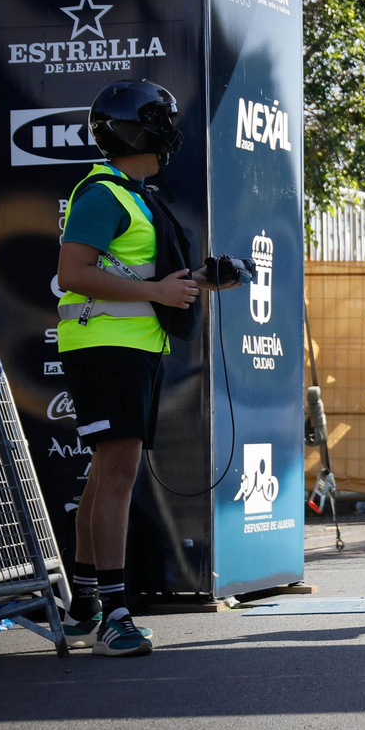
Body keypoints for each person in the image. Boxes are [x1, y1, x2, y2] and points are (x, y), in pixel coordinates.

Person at [56, 82, 244, 657]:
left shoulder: (135, 195)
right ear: (139, 129)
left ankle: (86, 605)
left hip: (132, 348)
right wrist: (155, 288)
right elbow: (72, 272)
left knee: (105, 474)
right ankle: (113, 613)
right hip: (107, 349)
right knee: (115, 475)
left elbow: (152, 281)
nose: (170, 129)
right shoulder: (103, 194)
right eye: (161, 119)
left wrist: (200, 282)